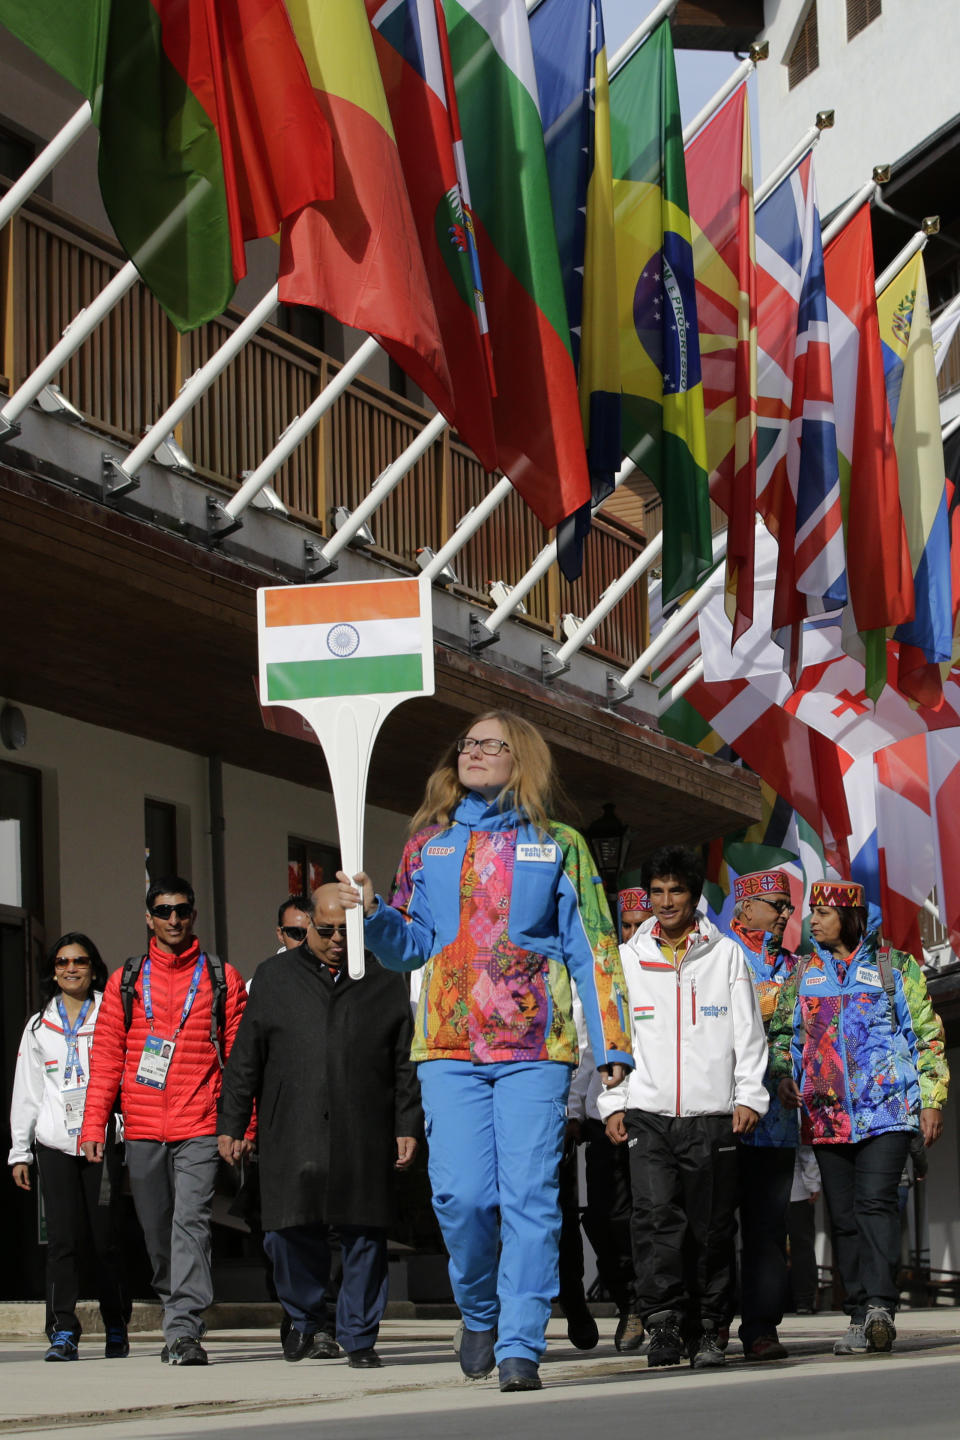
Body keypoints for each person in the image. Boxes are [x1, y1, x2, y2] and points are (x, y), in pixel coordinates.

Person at [339, 710, 632, 1393]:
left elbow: (595, 947)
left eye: (492, 744)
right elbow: (409, 941)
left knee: (530, 1198)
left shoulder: (559, 844)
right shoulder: (427, 846)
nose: (475, 752)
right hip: (446, 1043)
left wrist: (612, 1039)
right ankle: (478, 1309)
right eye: (467, 742)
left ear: (521, 759)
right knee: (462, 1197)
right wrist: (375, 914)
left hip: (536, 1045)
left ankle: (521, 1342)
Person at [217, 883, 421, 1369]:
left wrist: (406, 1123)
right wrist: (233, 1123)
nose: (334, 939)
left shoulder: (385, 976)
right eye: (324, 930)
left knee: (364, 1233)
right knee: (286, 1231)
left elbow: (404, 1061)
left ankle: (359, 1336)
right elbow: (246, 1057)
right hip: (292, 1124)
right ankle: (307, 1319)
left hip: (363, 1124)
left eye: (343, 930)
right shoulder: (274, 977)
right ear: (307, 925)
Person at [598, 846, 769, 1371]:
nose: (665, 901)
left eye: (676, 891)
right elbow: (610, 1036)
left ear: (695, 896)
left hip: (711, 1114)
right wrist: (612, 1101)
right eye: (657, 892)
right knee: (653, 1220)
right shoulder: (628, 958)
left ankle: (711, 1327)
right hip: (648, 1112)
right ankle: (665, 1323)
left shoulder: (726, 955)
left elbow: (748, 1031)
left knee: (712, 1226)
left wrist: (748, 1094)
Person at [769, 879, 949, 1356]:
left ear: (849, 917)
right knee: (844, 1218)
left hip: (888, 1112)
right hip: (827, 1118)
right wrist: (784, 1075)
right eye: (813, 913)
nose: (814, 922)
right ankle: (857, 1312)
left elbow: (927, 1037)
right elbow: (783, 1036)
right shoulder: (803, 973)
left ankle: (881, 1308)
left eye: (824, 913)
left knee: (875, 1205)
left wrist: (930, 1098)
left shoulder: (896, 967)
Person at [80, 877, 248, 1365]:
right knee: (157, 1231)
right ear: (149, 917)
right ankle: (174, 1297)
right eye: (164, 910)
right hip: (143, 1125)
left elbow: (240, 1061)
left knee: (190, 1222)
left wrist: (241, 1126)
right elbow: (108, 1055)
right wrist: (94, 1126)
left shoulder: (221, 976)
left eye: (182, 910)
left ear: (193, 915)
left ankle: (183, 1328)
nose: (174, 918)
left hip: (200, 1121)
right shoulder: (126, 980)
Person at [9, 934, 131, 1362]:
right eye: (62, 962)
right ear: (53, 969)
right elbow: (27, 1091)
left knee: (105, 1241)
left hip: (103, 1142)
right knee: (62, 1241)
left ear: (93, 967)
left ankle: (116, 1322)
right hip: (55, 1144)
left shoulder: (113, 1014)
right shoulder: (39, 1025)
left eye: (79, 961)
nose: (71, 968)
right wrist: (20, 1151)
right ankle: (63, 1330)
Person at [726, 868, 800, 1361]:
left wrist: (792, 1069)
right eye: (777, 905)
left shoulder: (796, 967)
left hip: (776, 1123)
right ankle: (706, 1322)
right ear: (747, 907)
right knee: (709, 1225)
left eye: (788, 907)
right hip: (719, 1113)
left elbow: (802, 1033)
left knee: (768, 1229)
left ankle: (760, 1328)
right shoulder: (717, 955)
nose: (785, 916)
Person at [786, 1146, 820, 1314]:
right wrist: (813, 1182)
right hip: (796, 1189)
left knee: (800, 1247)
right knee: (802, 1247)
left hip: (792, 1189)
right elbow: (805, 1150)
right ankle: (804, 1300)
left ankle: (802, 1299)